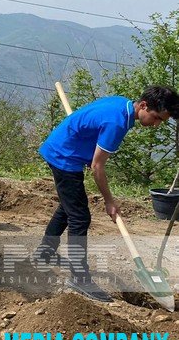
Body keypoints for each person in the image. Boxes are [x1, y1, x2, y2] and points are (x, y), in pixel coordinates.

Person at [37, 86, 179, 302]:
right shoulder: (117, 123)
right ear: (143, 106)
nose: (157, 124)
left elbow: (90, 127)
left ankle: (44, 252)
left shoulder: (121, 104)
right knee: (79, 217)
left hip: (63, 147)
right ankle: (79, 278)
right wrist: (109, 202)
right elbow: (97, 167)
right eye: (157, 118)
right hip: (64, 156)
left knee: (69, 207)